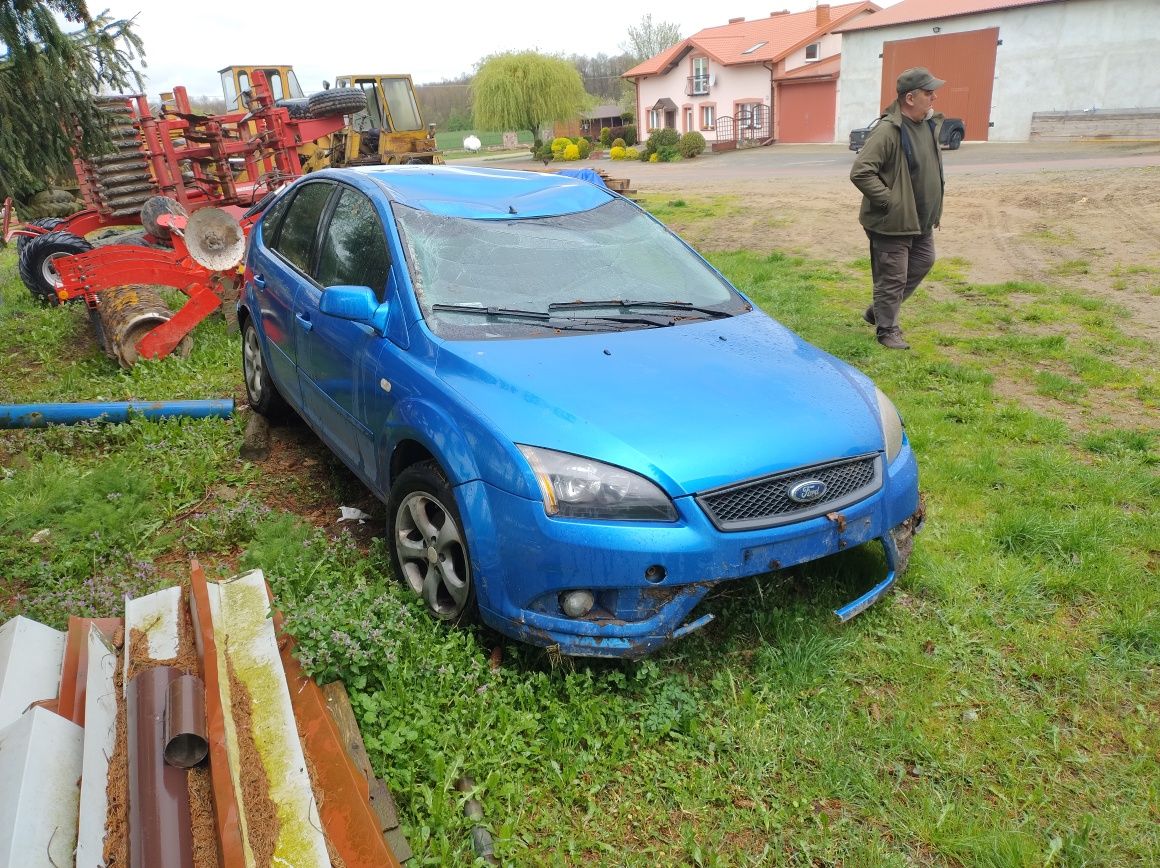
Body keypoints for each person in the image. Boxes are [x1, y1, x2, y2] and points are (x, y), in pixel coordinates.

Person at [850, 67, 947, 350]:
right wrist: (890, 202)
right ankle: (887, 330)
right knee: (892, 278)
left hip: (921, 222)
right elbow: (862, 172)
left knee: (923, 262)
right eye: (928, 93)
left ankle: (878, 312)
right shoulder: (888, 130)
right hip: (893, 222)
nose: (934, 97)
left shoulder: (928, 125)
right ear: (909, 98)